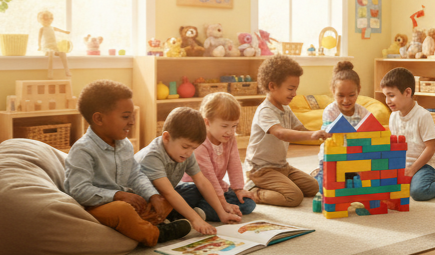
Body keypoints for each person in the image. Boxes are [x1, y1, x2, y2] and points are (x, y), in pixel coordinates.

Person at [64, 80, 189, 247]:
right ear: (99, 119)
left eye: (132, 116)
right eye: (125, 117)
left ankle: (149, 221)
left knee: (164, 196)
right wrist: (117, 195)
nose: (132, 122)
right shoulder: (83, 150)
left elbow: (135, 175)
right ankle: (155, 234)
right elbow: (79, 190)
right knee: (122, 211)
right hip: (95, 207)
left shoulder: (125, 145)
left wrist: (152, 195)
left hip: (124, 202)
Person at [135, 106, 240, 235]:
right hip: (145, 201)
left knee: (195, 190)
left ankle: (174, 216)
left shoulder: (186, 153)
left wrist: (222, 213)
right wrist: (196, 220)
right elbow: (168, 193)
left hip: (167, 196)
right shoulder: (152, 156)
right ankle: (161, 225)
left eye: (194, 148)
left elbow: (202, 182)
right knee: (167, 201)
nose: (189, 153)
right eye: (185, 146)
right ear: (166, 138)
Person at [245, 54, 331, 207]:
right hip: (261, 170)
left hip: (282, 166)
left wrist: (323, 132)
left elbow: (300, 129)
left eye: (296, 89)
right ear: (272, 86)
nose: (294, 94)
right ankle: (254, 192)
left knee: (315, 187)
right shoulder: (265, 111)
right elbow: (280, 133)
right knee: (293, 197)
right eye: (291, 89)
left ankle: (280, 184)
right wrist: (312, 135)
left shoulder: (285, 108)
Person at [380, 67, 435, 201]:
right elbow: (395, 146)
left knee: (418, 192)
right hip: (404, 163)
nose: (387, 101)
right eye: (385, 96)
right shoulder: (393, 116)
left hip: (425, 165)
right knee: (382, 184)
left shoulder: (423, 116)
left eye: (391, 95)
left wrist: (412, 170)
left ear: (407, 92)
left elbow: (431, 148)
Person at [180, 93, 256, 221]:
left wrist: (238, 189)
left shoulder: (230, 138)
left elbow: (235, 163)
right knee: (206, 203)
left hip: (217, 188)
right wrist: (222, 203)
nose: (230, 131)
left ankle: (202, 210)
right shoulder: (200, 142)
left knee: (248, 204)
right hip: (195, 188)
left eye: (234, 126)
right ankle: (194, 211)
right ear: (207, 122)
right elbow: (208, 176)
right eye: (225, 126)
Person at [314, 61, 370, 189]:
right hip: (332, 159)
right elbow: (328, 135)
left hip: (355, 160)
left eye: (351, 95)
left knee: (359, 186)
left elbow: (370, 134)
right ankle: (317, 174)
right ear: (333, 91)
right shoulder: (330, 111)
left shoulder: (363, 112)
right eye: (340, 95)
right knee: (324, 187)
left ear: (358, 90)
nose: (346, 100)